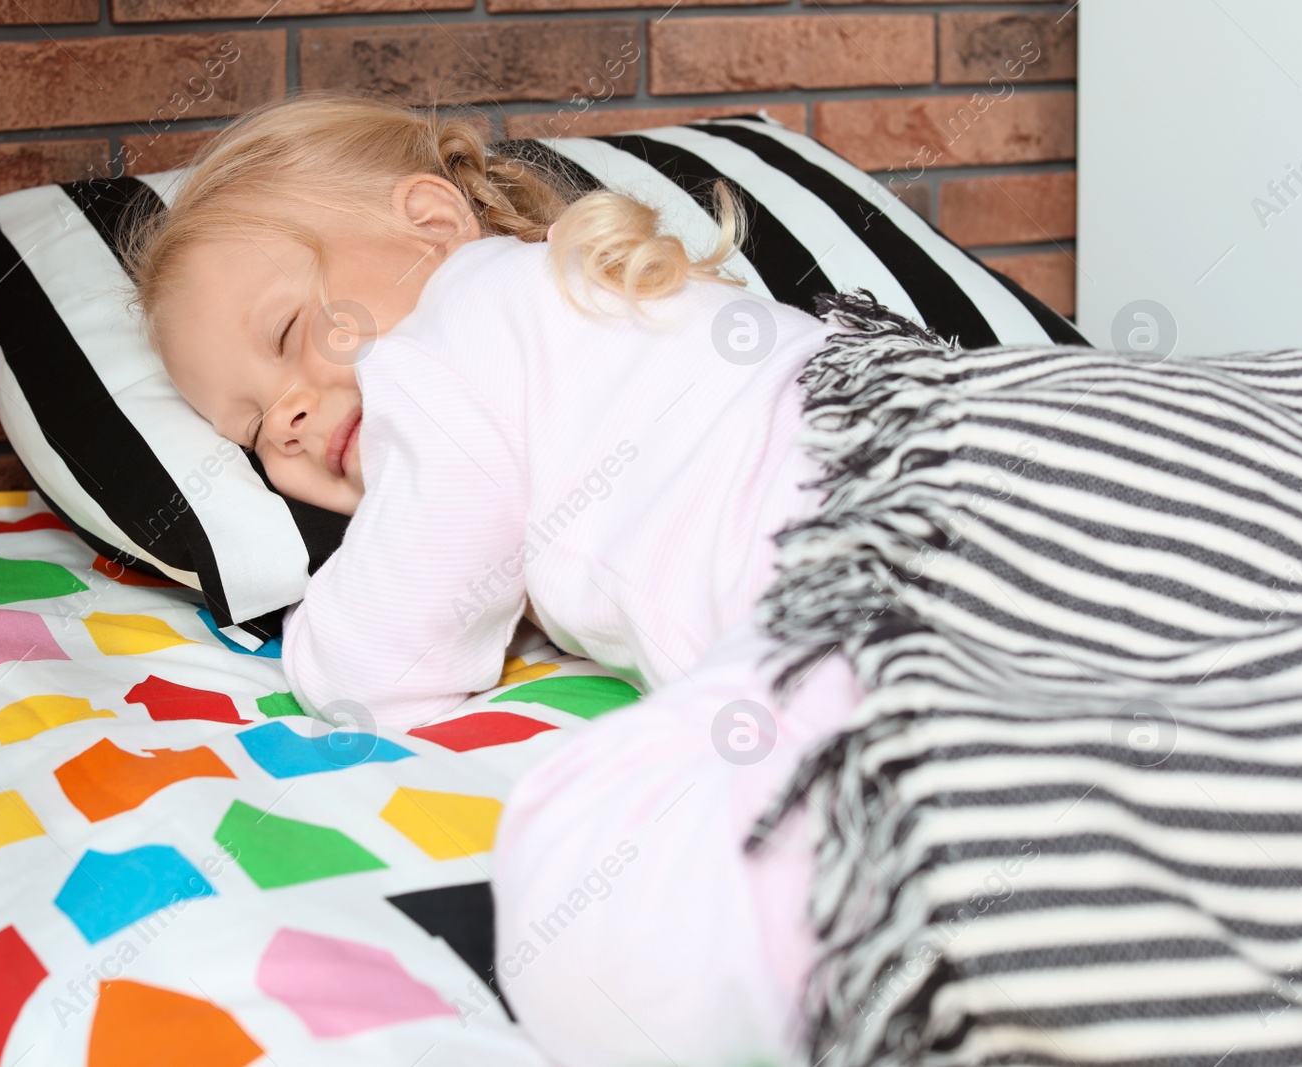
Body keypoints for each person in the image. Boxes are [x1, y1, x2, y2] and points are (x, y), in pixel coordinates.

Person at [122, 91, 861, 1065]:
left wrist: (322, 630)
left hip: (849, 557)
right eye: (253, 433)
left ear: (431, 224)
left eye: (291, 332)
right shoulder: (580, 299)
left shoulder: (451, 334)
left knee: (592, 893)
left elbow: (382, 656)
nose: (288, 420)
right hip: (968, 438)